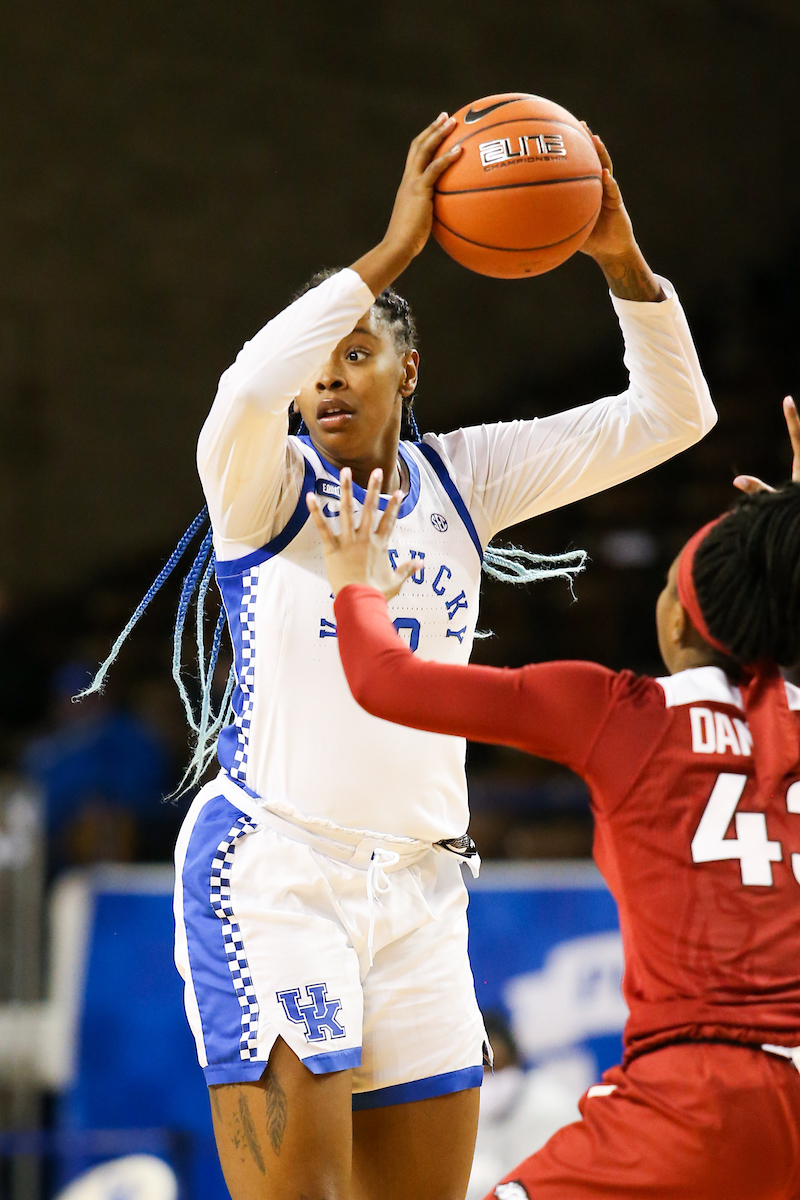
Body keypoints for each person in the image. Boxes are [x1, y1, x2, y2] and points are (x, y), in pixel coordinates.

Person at [171, 111, 716, 1200]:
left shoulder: (468, 483)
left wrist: (619, 263)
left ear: (407, 371)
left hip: (421, 887)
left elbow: (673, 414)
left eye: (359, 353)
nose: (328, 381)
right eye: (317, 364)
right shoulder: (262, 488)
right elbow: (242, 389)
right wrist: (390, 251)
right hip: (278, 871)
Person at [306, 400, 800, 1200]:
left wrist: (352, 580)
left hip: (699, 1099)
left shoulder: (620, 713)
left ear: (677, 619)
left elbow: (380, 679)